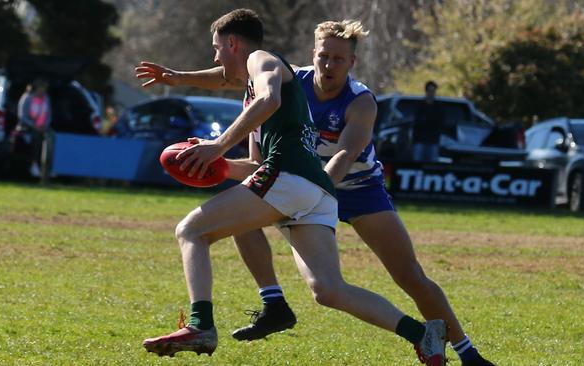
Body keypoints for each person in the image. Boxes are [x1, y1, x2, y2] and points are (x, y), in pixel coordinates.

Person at [135, 9, 447, 365]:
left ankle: (202, 324)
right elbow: (231, 95)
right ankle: (422, 334)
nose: (215, 55)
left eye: (217, 47)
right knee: (330, 290)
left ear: (233, 42)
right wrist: (213, 153)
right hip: (317, 191)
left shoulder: (260, 59)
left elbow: (270, 99)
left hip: (290, 178)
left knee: (190, 230)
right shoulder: (251, 92)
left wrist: (218, 145)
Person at [229, 21, 494, 366]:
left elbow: (345, 154)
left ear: (352, 63)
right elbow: (235, 85)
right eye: (323, 56)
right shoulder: (293, 82)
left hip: (358, 188)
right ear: (313, 55)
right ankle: (273, 301)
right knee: (241, 212)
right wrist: (179, 82)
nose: (329, 65)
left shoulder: (361, 101)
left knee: (409, 275)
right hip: (307, 185)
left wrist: (312, 191)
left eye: (339, 59)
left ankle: (469, 354)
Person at [16, 78, 51, 176]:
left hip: (43, 127)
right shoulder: (27, 98)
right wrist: (35, 126)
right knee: (36, 138)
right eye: (41, 88)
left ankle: (49, 166)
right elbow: (22, 117)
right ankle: (34, 164)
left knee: (52, 138)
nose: (43, 91)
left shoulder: (46, 99)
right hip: (27, 127)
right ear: (36, 88)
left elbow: (48, 115)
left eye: (45, 89)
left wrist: (45, 125)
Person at [411, 80, 444, 162]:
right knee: (417, 163)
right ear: (426, 91)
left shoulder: (438, 106)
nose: (431, 93)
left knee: (432, 165)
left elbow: (441, 122)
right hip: (419, 140)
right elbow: (416, 121)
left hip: (433, 141)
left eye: (433, 91)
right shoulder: (419, 105)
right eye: (429, 91)